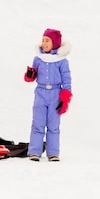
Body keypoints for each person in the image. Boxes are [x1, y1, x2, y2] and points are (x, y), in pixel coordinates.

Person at [23, 28, 72, 162]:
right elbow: (32, 76)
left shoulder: (62, 61)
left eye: (47, 41)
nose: (44, 43)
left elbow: (67, 80)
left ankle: (53, 153)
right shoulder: (38, 59)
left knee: (53, 125)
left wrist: (65, 98)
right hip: (40, 93)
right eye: (43, 40)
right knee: (38, 123)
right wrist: (29, 75)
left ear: (55, 43)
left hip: (55, 94)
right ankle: (34, 152)